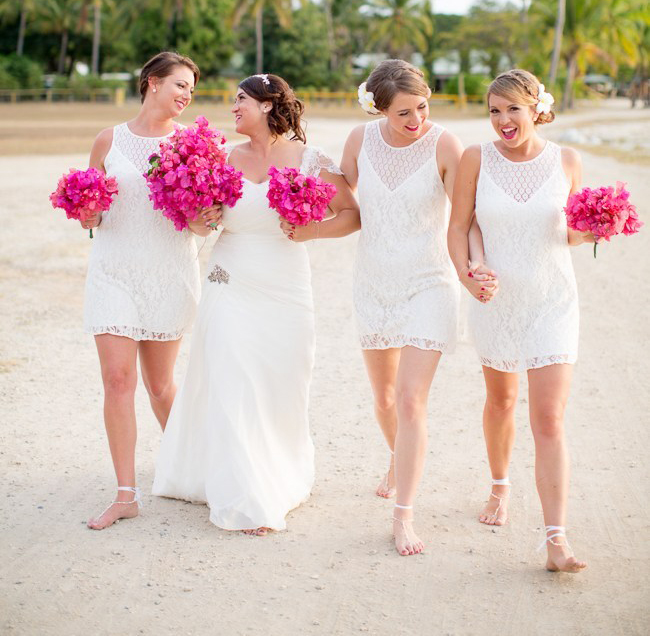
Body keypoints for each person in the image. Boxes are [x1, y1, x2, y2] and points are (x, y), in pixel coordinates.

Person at [153, 73, 360, 534]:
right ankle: (245, 492)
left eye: (241, 99)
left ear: (267, 106)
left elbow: (351, 214)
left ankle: (276, 469)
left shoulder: (310, 159)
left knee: (280, 382)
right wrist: (200, 217)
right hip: (230, 279)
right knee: (233, 377)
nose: (233, 107)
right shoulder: (221, 158)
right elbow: (204, 227)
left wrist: (313, 231)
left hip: (286, 286)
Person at [340, 60, 491, 556]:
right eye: (403, 112)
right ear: (378, 107)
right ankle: (396, 456)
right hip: (374, 282)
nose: (415, 120)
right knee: (383, 399)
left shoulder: (445, 145)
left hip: (429, 281)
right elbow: (342, 203)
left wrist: (476, 267)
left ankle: (403, 515)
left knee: (409, 400)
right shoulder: (360, 141)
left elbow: (465, 219)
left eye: (422, 107)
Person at [448, 69, 592, 573]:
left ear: (536, 108)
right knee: (501, 400)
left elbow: (571, 234)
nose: (503, 120)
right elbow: (460, 227)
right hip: (496, 302)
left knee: (549, 418)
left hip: (553, 301)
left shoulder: (567, 161)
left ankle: (557, 541)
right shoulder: (475, 158)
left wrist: (597, 227)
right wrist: (470, 276)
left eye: (512, 108)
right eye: (494, 110)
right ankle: (499, 487)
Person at [83, 51, 202, 530]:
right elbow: (93, 209)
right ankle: (126, 494)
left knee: (159, 385)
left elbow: (199, 222)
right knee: (118, 382)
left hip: (169, 273)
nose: (186, 96)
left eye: (191, 90)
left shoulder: (192, 144)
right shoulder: (108, 140)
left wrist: (205, 216)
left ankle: (190, 471)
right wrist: (87, 214)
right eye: (179, 85)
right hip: (113, 273)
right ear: (152, 82)